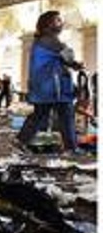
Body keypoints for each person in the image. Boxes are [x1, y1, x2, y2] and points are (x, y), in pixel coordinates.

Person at [17, 10, 82, 153]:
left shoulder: (41, 41)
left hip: (45, 87)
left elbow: (62, 61)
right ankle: (71, 147)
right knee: (65, 116)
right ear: (49, 23)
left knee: (39, 115)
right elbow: (68, 57)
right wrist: (76, 63)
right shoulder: (50, 40)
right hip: (53, 88)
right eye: (58, 21)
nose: (61, 23)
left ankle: (21, 140)